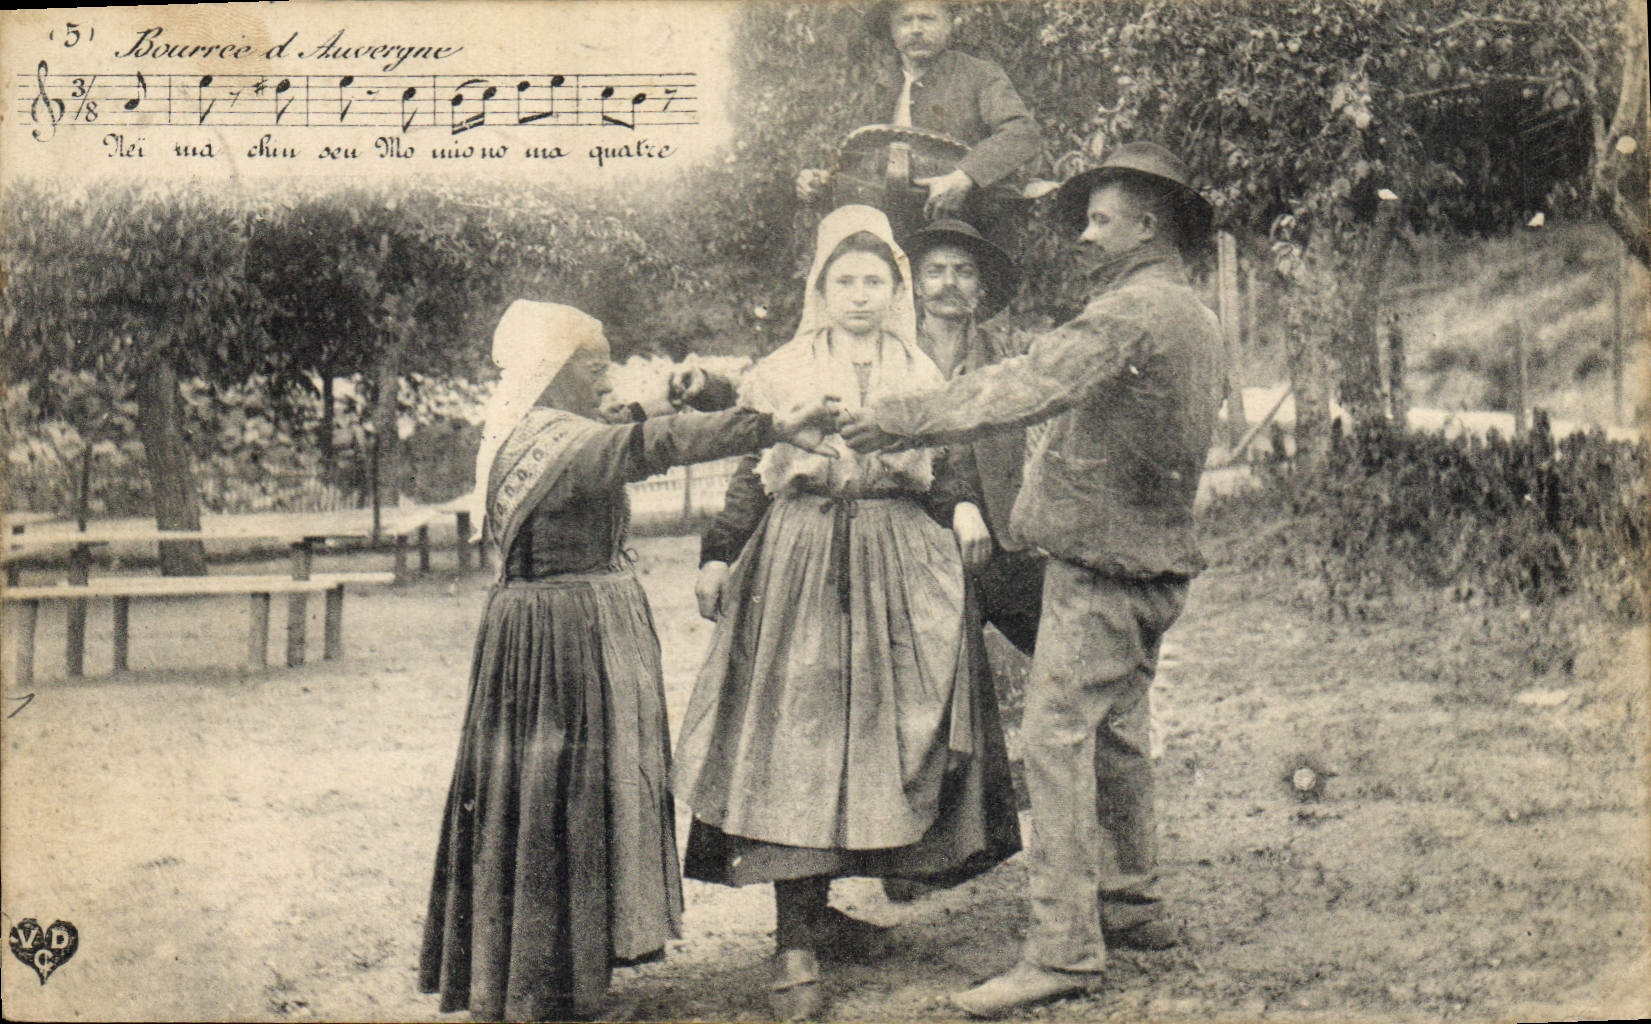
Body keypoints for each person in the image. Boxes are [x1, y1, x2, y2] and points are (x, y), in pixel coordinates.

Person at [839, 142, 1224, 1017]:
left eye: (1099, 219)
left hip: (1101, 565)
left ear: (1147, 225)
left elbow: (1019, 386)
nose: (1085, 236)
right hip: (1157, 562)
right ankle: (1131, 904)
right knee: (1118, 734)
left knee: (1053, 744)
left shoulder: (1130, 312)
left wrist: (893, 418)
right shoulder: (1192, 313)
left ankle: (1062, 951)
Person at [418, 300, 835, 1022]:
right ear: (551, 373)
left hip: (541, 631)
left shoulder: (532, 431)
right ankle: (554, 993)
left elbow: (638, 420)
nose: (608, 374)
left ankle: (542, 977)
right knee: (569, 796)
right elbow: (651, 446)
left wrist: (682, 386)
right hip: (567, 636)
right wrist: (769, 427)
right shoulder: (562, 445)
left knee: (547, 797)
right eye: (595, 364)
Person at [675, 205, 1021, 1021]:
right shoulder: (780, 369)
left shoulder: (921, 372)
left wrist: (964, 509)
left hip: (897, 561)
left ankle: (830, 910)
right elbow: (751, 479)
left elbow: (949, 466)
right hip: (798, 562)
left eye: (874, 281)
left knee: (886, 739)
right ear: (821, 288)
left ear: (893, 288)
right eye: (845, 281)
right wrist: (720, 556)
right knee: (794, 743)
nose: (860, 296)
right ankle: (793, 939)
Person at [906, 218, 1042, 657]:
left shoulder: (1008, 354)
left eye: (964, 271)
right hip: (915, 540)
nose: (949, 283)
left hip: (1002, 547)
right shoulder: (892, 357)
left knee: (1066, 661)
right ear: (914, 287)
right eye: (935, 271)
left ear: (981, 288)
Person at [796, 1, 1041, 224]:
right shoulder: (876, 86)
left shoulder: (979, 76)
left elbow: (1021, 133)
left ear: (949, 26)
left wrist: (965, 176)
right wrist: (821, 180)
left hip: (965, 222)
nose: (916, 29)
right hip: (888, 223)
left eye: (927, 19)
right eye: (906, 20)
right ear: (892, 31)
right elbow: (855, 158)